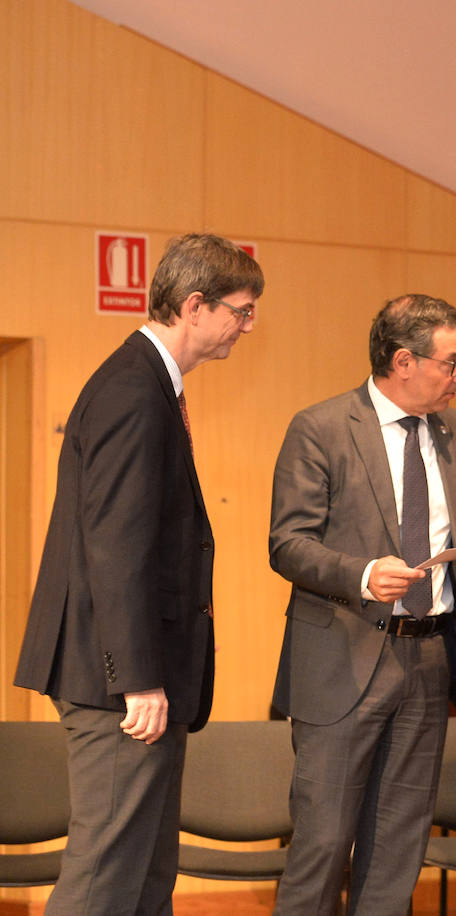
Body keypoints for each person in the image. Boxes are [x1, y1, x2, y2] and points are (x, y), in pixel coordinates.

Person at [14, 233, 263, 915]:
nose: (247, 327)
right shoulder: (132, 389)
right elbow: (116, 548)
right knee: (105, 879)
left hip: (127, 676)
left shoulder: (147, 383)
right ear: (193, 304)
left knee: (148, 875)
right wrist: (140, 680)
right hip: (115, 682)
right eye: (241, 312)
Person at [268, 294, 456, 915]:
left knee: (399, 849)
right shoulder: (320, 428)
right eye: (454, 362)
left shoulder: (453, 429)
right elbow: (287, 544)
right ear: (404, 360)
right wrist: (363, 573)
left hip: (428, 658)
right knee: (322, 846)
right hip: (341, 660)